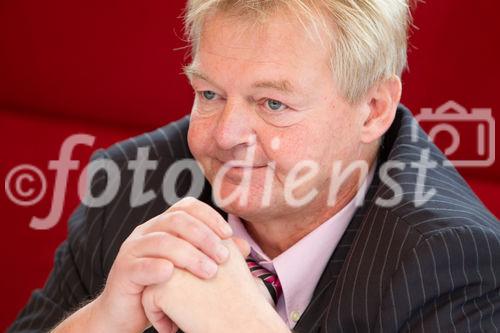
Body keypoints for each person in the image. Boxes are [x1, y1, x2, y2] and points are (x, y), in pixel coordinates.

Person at [9, 0, 500, 332]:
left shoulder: (453, 260)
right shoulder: (130, 184)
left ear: (372, 108)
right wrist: (103, 320)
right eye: (209, 94)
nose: (223, 136)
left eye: (272, 104)